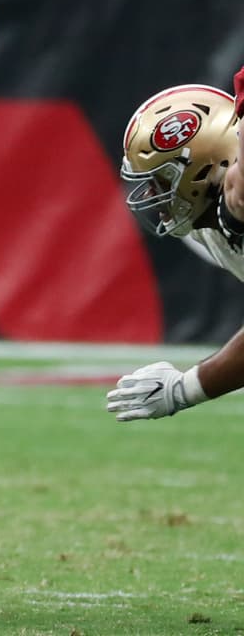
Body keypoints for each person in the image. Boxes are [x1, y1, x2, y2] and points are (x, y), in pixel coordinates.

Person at [107, 82, 244, 422]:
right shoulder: (210, 229)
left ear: (204, 168)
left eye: (164, 182)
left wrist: (186, 388)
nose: (158, 199)